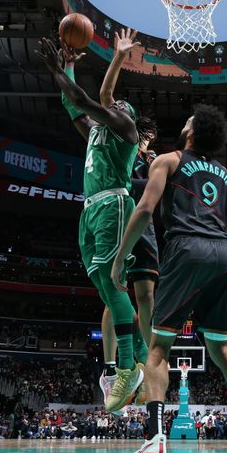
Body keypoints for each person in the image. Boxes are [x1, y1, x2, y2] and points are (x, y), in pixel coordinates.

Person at [111, 104, 227, 453]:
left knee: (158, 347)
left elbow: (144, 209)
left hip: (186, 249)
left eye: (188, 120)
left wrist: (120, 258)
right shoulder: (223, 173)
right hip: (224, 254)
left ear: (192, 132)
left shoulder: (169, 160)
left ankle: (155, 441)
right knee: (222, 350)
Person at [35, 29, 156, 412]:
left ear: (125, 116)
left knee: (113, 283)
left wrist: (61, 70)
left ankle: (125, 367)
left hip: (113, 206)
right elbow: (73, 106)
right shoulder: (94, 133)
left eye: (120, 104)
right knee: (104, 289)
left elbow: (85, 99)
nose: (115, 105)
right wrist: (68, 67)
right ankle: (136, 355)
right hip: (89, 209)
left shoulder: (125, 130)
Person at [97, 31, 160, 408]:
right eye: (144, 135)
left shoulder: (154, 163)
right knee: (114, 295)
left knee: (145, 295)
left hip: (144, 227)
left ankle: (148, 360)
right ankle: (111, 369)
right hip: (118, 221)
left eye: (150, 136)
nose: (146, 140)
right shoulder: (117, 147)